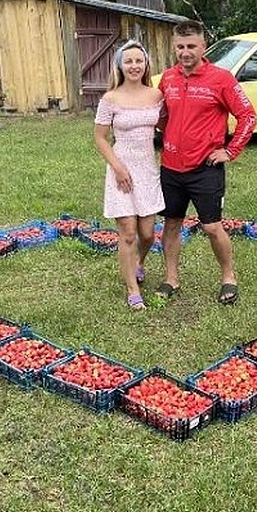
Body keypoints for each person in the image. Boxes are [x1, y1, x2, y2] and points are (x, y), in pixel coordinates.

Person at [154, 19, 257, 305]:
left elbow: (248, 115)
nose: (185, 52)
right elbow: (161, 116)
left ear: (203, 46)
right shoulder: (168, 78)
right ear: (174, 47)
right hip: (171, 167)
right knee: (171, 224)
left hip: (206, 168)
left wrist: (231, 150)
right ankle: (171, 278)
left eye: (191, 46)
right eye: (180, 47)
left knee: (212, 227)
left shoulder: (221, 78)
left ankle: (228, 278)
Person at [94, 40, 165, 310]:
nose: (134, 66)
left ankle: (138, 263)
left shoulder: (156, 95)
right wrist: (118, 168)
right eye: (129, 61)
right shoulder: (110, 99)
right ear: (120, 66)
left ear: (146, 64)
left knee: (147, 234)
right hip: (121, 170)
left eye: (139, 61)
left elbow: (168, 125)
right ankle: (132, 290)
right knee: (127, 234)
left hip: (147, 170)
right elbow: (100, 138)